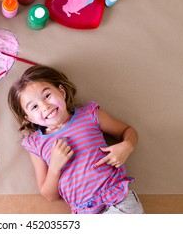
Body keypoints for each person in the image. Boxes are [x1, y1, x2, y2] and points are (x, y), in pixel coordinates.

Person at [8, 65, 144, 214]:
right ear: (28, 118)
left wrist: (127, 146)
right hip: (83, 211)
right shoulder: (36, 144)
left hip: (117, 201)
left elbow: (127, 131)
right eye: (34, 107)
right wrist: (54, 167)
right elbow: (49, 195)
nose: (45, 106)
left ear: (62, 91)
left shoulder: (90, 115)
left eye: (47, 96)